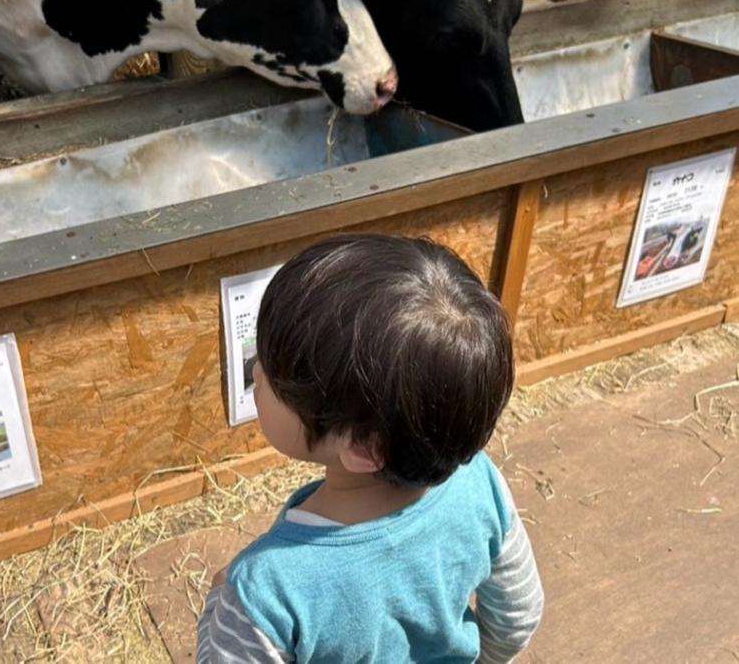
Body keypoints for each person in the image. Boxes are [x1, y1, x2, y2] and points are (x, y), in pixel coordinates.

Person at [197, 234, 543, 663]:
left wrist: (218, 605)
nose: (257, 372)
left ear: (363, 448)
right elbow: (519, 615)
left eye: (279, 379)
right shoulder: (479, 482)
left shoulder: (263, 593)